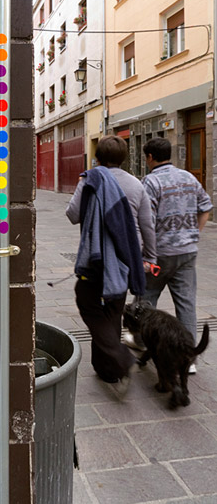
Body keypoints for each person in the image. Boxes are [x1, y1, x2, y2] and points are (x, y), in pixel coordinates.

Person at [66, 136, 155, 395]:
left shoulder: (91, 179)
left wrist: (84, 194)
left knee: (87, 302)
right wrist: (149, 257)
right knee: (114, 311)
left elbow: (72, 215)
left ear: (98, 157)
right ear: (124, 158)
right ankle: (107, 369)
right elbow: (147, 225)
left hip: (96, 258)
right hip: (126, 257)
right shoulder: (136, 184)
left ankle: (121, 359)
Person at [141, 137, 213, 373]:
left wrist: (146, 254)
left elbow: (147, 222)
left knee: (145, 299)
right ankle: (188, 358)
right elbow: (206, 206)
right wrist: (194, 234)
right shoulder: (189, 177)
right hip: (187, 252)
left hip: (161, 253)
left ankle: (140, 343)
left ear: (150, 157)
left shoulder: (150, 182)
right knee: (186, 304)